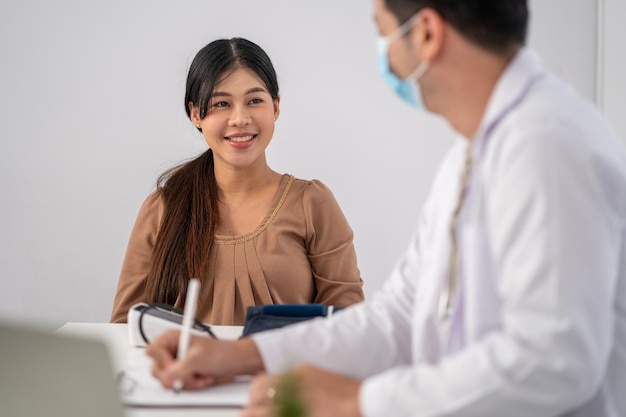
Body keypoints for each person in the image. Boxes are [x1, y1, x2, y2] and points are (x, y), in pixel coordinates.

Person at [146, 1, 626, 416]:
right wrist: (245, 355)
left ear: (427, 33)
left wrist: (358, 403)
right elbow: (398, 315)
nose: (383, 53)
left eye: (382, 31)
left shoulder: (546, 144)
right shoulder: (474, 150)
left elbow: (554, 360)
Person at [110, 37, 364, 326]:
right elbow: (125, 327)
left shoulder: (312, 203)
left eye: (255, 100)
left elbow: (349, 324)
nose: (240, 118)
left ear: (276, 107)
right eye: (221, 103)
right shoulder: (162, 208)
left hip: (285, 372)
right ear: (196, 114)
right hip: (186, 373)